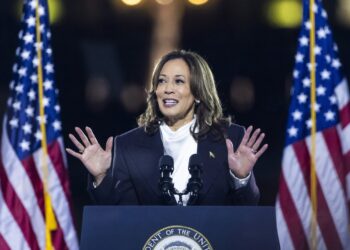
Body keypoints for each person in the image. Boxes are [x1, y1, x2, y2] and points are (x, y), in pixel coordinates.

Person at [66, 50, 268, 205]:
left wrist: (241, 178)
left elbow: (245, 213)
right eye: (162, 81)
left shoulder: (230, 139)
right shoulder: (128, 145)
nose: (167, 89)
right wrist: (101, 177)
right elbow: (121, 220)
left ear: (198, 92)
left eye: (178, 81)